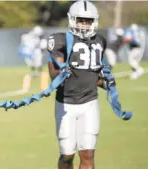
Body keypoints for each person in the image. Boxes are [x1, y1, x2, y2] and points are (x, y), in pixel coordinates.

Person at [47, 1, 115, 169]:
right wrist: (64, 71)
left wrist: (106, 83)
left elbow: (93, 74)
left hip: (90, 103)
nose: (84, 24)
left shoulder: (99, 41)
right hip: (66, 104)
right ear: (72, 20)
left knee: (88, 153)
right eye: (80, 20)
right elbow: (54, 76)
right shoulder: (60, 40)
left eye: (88, 20)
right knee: (67, 155)